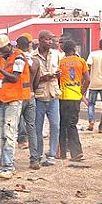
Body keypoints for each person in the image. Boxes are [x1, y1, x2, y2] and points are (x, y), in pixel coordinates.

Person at [0, 34, 31, 179]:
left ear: (9, 46)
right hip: (2, 98)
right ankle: (4, 162)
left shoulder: (19, 57)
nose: (1, 52)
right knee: (2, 134)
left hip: (14, 99)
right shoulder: (1, 59)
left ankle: (8, 167)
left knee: (9, 132)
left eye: (2, 49)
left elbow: (14, 78)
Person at [33, 30, 62, 166]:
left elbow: (60, 73)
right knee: (37, 128)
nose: (50, 42)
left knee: (55, 126)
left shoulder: (56, 55)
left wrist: (58, 75)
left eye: (51, 40)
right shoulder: (32, 56)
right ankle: (38, 154)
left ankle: (52, 154)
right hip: (39, 96)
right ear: (40, 40)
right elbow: (30, 78)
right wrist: (43, 78)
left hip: (53, 95)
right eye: (47, 39)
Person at [58, 40, 90, 161]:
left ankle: (62, 153)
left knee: (62, 125)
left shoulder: (61, 63)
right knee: (72, 125)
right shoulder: (81, 61)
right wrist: (81, 92)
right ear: (75, 49)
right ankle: (76, 152)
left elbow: (57, 79)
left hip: (63, 97)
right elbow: (87, 79)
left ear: (64, 50)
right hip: (75, 97)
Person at [16, 35, 41, 170]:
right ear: (30, 45)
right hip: (31, 94)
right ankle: (34, 160)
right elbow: (37, 81)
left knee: (12, 126)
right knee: (32, 127)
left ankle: (7, 159)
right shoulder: (36, 61)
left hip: (18, 95)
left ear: (17, 46)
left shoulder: (17, 59)